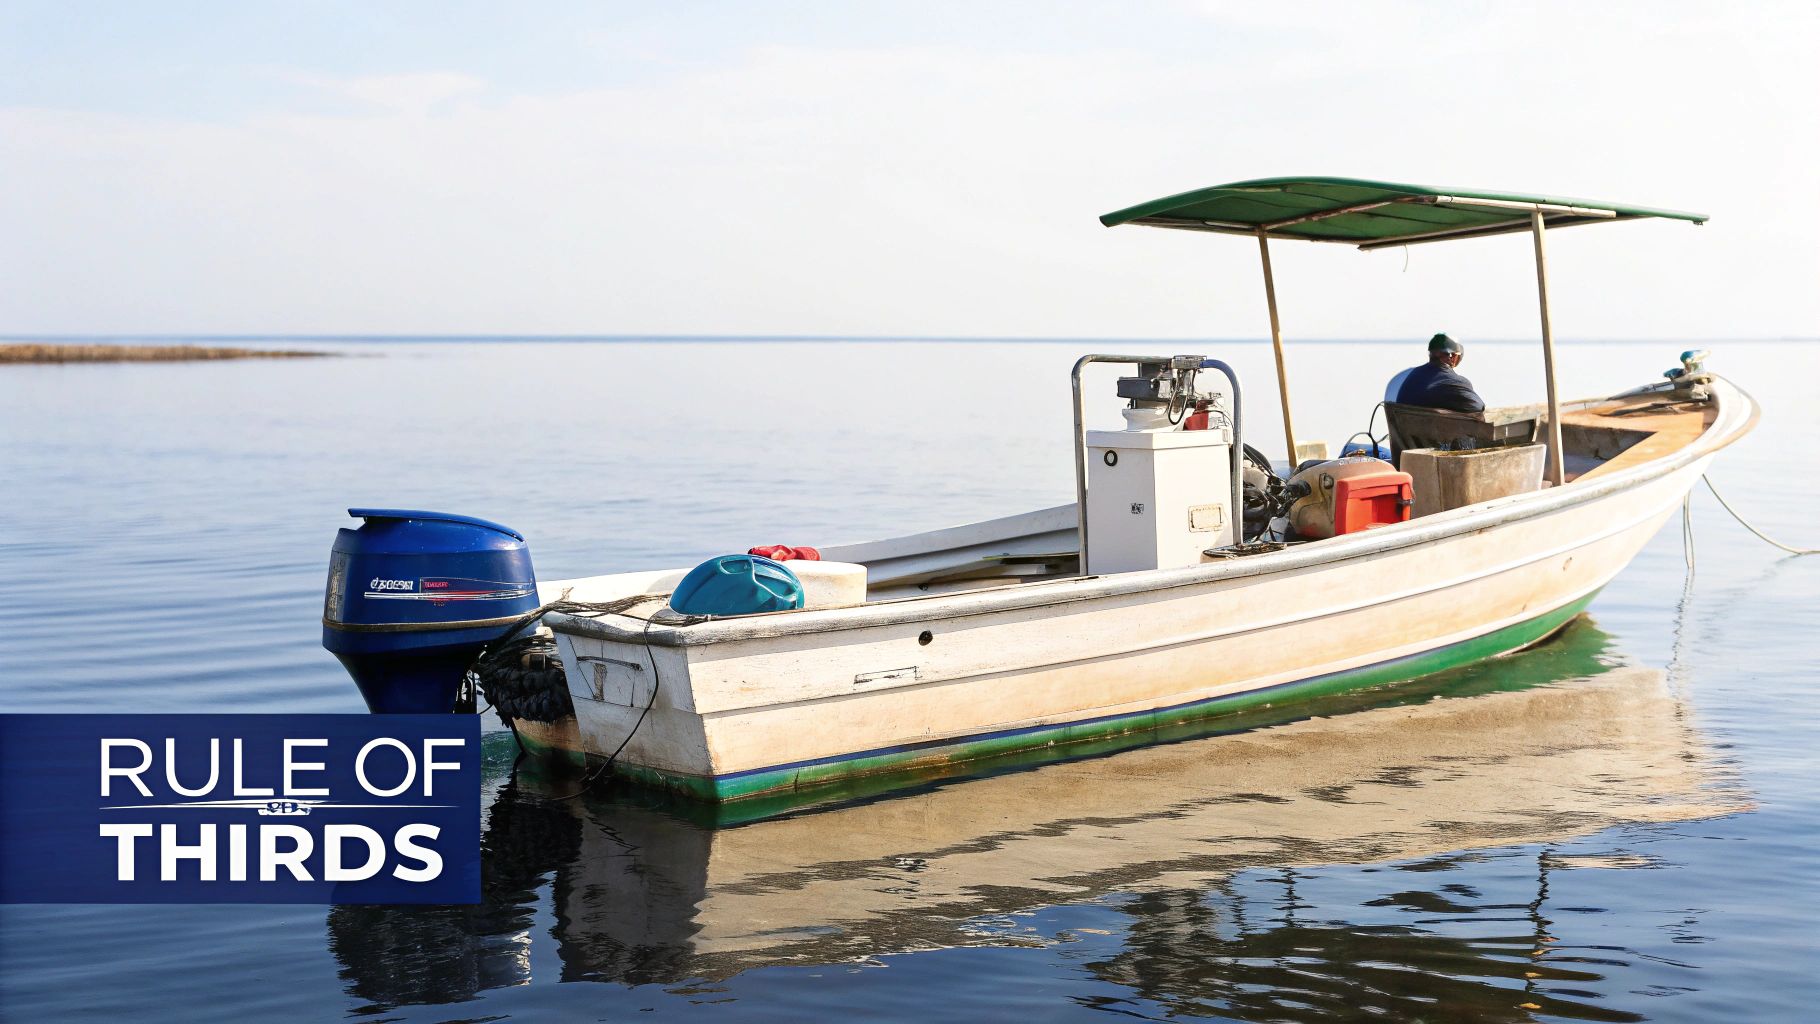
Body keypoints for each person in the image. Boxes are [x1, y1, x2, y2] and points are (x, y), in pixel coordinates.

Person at [1385, 333, 1485, 412]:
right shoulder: (1454, 382)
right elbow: (1478, 406)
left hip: (1405, 433)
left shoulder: (1411, 375)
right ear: (1452, 357)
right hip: (1433, 436)